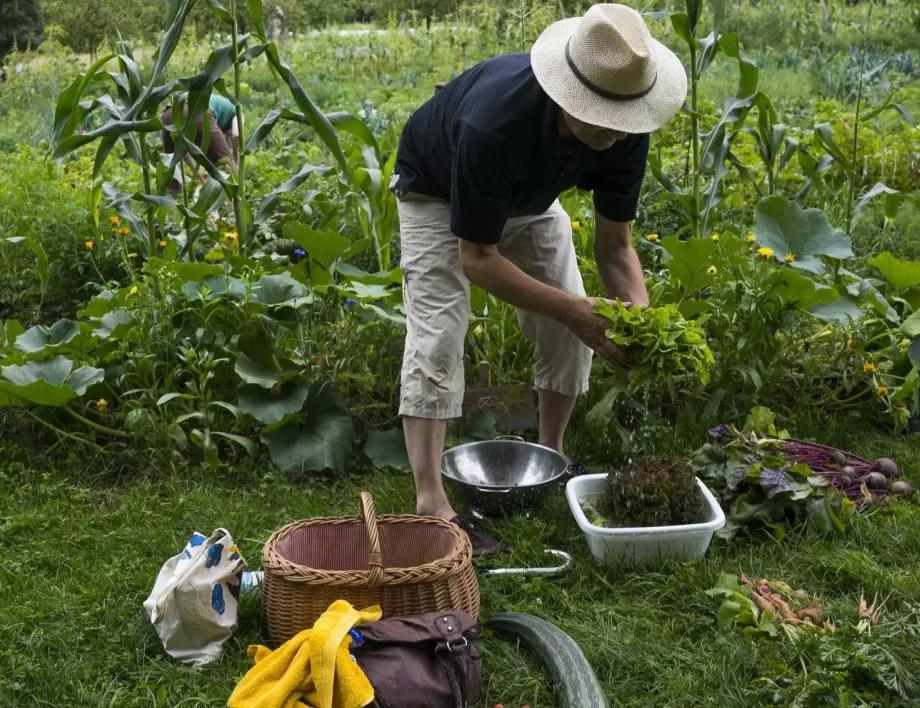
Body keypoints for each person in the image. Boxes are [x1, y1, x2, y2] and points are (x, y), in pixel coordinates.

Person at [391, 4, 687, 554]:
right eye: (596, 115)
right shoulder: (495, 122)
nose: (610, 132)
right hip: (436, 192)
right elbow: (477, 258)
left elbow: (615, 248)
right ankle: (431, 499)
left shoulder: (624, 129)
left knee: (577, 324)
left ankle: (552, 456)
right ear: (564, 93)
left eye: (621, 121)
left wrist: (640, 322)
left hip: (529, 200)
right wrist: (575, 310)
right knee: (439, 334)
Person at [160, 93, 240, 197]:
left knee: (172, 171)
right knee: (228, 168)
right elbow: (236, 135)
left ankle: (169, 208)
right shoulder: (237, 110)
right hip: (196, 109)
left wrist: (196, 171)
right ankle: (234, 208)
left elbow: (181, 148)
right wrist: (235, 160)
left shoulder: (220, 106)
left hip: (168, 113)